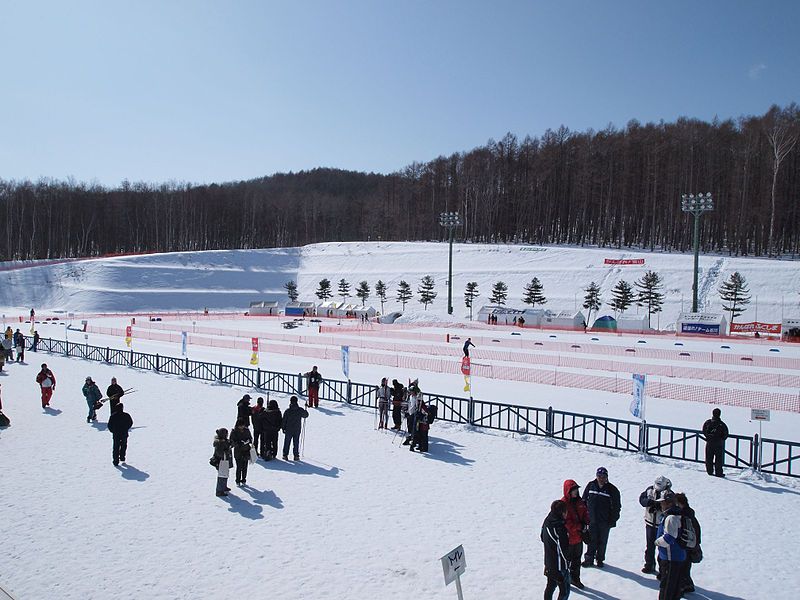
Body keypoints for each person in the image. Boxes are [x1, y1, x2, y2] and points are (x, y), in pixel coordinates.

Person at [582, 466, 621, 569]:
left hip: (605, 521)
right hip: (592, 520)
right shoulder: (591, 485)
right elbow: (584, 500)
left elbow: (617, 507)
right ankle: (589, 559)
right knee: (591, 540)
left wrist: (613, 520)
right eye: (599, 476)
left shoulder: (612, 490)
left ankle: (600, 559)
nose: (601, 478)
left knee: (602, 541)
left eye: (603, 476)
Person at [655, 490, 686, 600]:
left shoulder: (671, 517)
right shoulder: (675, 514)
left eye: (662, 502)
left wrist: (657, 542)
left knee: (667, 589)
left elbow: (669, 538)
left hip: (671, 559)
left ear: (668, 503)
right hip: (676, 558)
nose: (660, 504)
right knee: (674, 589)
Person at [639, 475, 672, 575]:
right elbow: (641, 499)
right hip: (649, 523)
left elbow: (671, 507)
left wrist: (659, 506)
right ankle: (649, 564)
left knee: (662, 548)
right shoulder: (650, 490)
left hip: (661, 525)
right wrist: (649, 503)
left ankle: (663, 570)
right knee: (649, 546)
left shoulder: (669, 494)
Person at [541, 499, 571, 600]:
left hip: (549, 562)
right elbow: (563, 549)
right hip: (560, 566)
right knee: (565, 590)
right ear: (562, 513)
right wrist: (568, 561)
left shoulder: (547, 521)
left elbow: (542, 537)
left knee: (550, 587)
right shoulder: (560, 528)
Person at [561, 479, 588, 590]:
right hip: (569, 539)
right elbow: (566, 523)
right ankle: (564, 580)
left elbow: (585, 513)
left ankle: (575, 579)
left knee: (577, 561)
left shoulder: (579, 501)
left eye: (576, 489)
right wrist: (579, 527)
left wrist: (586, 522)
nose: (576, 492)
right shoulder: (563, 504)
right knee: (566, 562)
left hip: (579, 538)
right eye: (573, 490)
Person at [674, 492, 701, 595]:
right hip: (690, 547)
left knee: (681, 568)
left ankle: (681, 588)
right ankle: (688, 585)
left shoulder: (684, 517)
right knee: (685, 568)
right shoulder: (689, 514)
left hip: (685, 547)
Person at [702, 408, 728, 477]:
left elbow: (704, 430)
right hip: (718, 444)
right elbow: (725, 434)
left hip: (709, 443)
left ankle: (709, 471)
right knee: (718, 459)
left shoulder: (708, 422)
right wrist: (720, 439)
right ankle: (718, 472)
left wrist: (708, 437)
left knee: (709, 458)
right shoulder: (722, 424)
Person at [282, 395, 308, 460]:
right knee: (296, 442)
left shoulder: (287, 411)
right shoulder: (300, 410)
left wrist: (283, 428)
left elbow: (284, 420)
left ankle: (285, 455)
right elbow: (306, 415)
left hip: (288, 429)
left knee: (287, 442)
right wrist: (305, 409)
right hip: (297, 429)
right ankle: (296, 455)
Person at [230, 417, 253, 486]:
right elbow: (231, 442)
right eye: (241, 426)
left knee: (245, 467)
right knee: (239, 467)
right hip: (238, 452)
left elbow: (250, 438)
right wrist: (238, 443)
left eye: (243, 425)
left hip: (246, 451)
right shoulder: (234, 432)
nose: (242, 427)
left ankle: (244, 479)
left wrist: (248, 441)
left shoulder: (246, 430)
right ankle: (237, 480)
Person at [212, 427, 233, 497]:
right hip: (220, 461)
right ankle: (219, 491)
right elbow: (220, 453)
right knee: (221, 476)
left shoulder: (224, 441)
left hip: (224, 461)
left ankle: (224, 487)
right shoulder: (219, 443)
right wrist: (227, 450)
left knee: (225, 474)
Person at [403, 379, 420, 446]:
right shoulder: (410, 397)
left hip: (414, 414)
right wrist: (406, 410)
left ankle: (413, 440)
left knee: (413, 428)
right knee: (409, 427)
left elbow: (416, 406)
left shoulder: (416, 397)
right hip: (409, 413)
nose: (411, 392)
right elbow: (409, 404)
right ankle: (409, 438)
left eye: (411, 391)